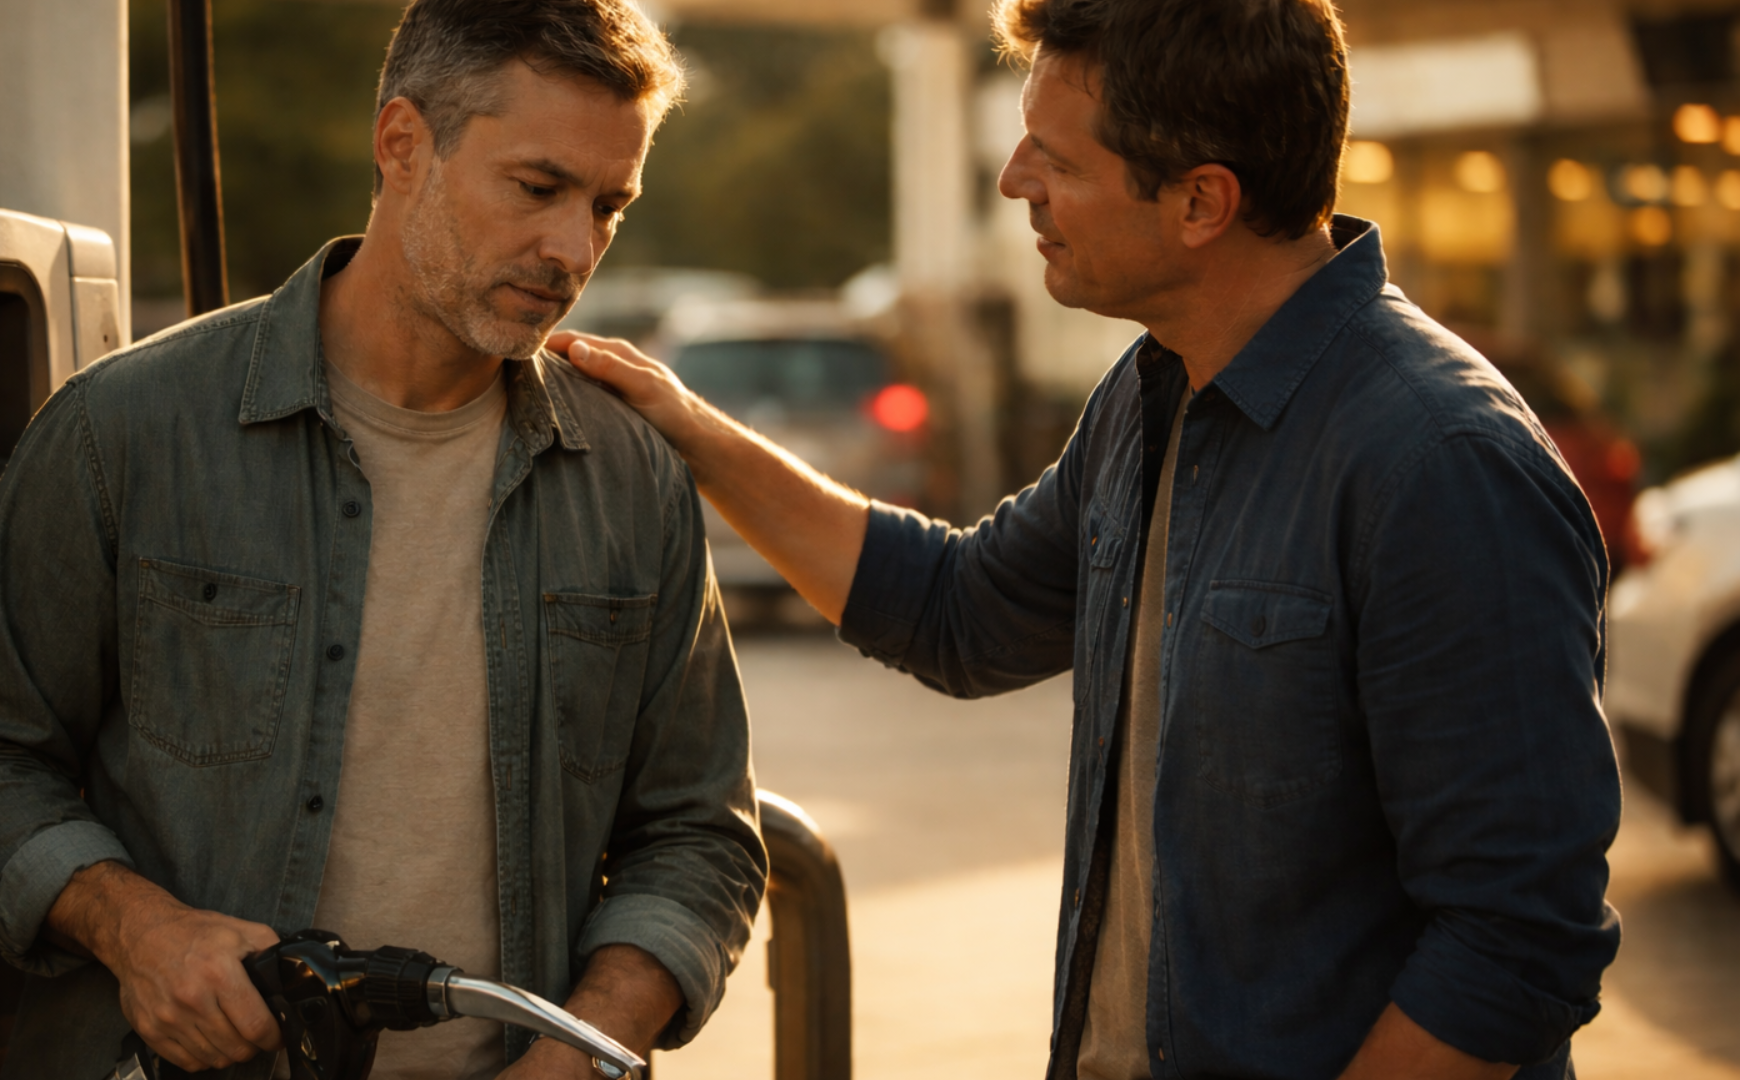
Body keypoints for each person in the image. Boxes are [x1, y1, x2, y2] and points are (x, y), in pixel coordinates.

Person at [553, 0, 1620, 1077]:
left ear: (1203, 201)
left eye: (1055, 158)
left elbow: (1516, 943)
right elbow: (956, 611)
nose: (1018, 180)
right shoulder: (1153, 391)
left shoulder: (1442, 465)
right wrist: (691, 432)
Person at [0, 2, 765, 1077]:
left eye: (610, 205)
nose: (573, 247)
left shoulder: (631, 481)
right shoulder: (123, 431)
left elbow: (698, 834)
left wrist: (582, 1050)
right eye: (539, 188)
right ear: (403, 143)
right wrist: (141, 933)